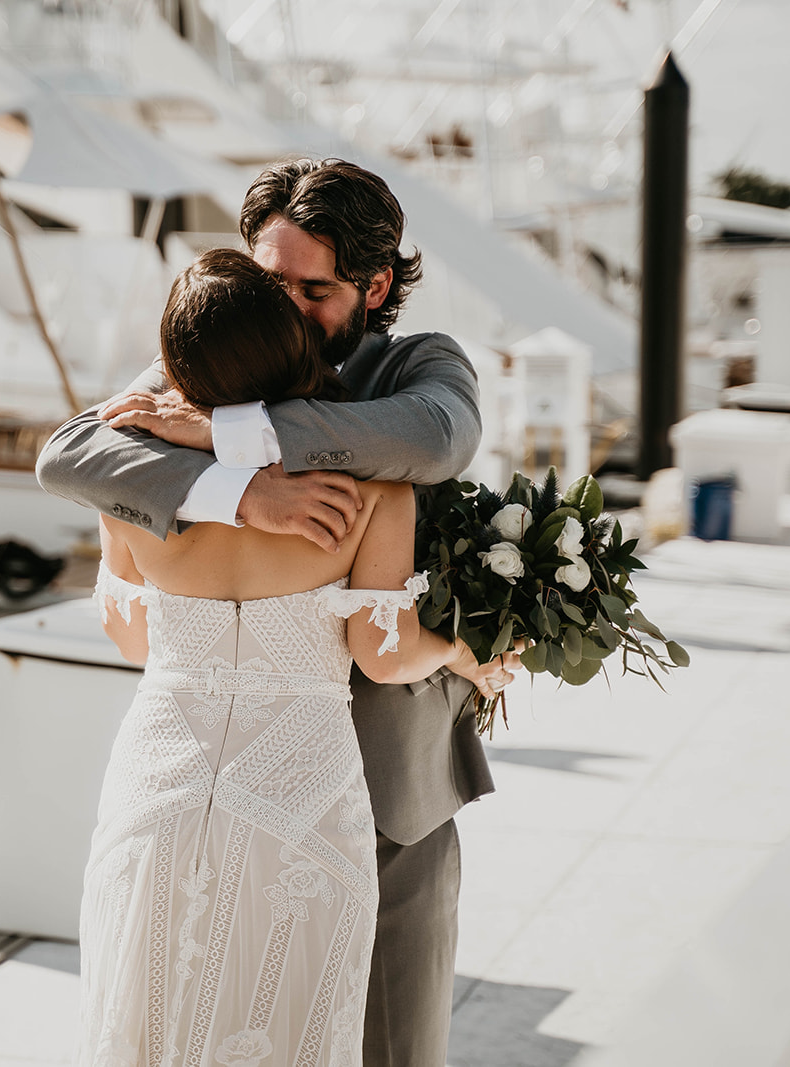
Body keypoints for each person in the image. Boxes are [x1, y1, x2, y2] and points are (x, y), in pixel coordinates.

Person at [37, 158, 495, 1065]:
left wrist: (229, 435)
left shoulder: (417, 365)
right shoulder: (210, 355)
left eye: (311, 291)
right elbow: (73, 452)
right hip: (209, 783)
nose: (281, 309)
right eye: (267, 280)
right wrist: (240, 494)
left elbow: (439, 437)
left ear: (373, 287)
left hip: (389, 791)